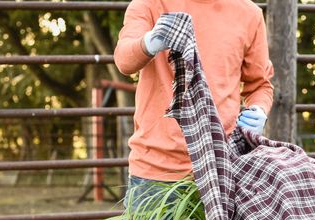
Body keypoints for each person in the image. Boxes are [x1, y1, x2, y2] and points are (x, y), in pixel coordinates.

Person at [113, 0, 274, 202]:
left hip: (222, 168)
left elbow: (260, 84)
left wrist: (259, 110)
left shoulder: (249, 13)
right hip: (155, 173)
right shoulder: (150, 3)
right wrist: (149, 42)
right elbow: (124, 60)